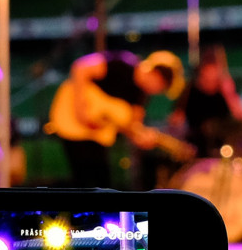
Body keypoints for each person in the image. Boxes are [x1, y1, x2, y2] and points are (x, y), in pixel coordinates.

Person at [45, 47, 188, 186]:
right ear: (157, 75)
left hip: (96, 135)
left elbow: (131, 127)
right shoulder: (123, 64)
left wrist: (142, 138)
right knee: (83, 177)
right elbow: (80, 67)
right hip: (74, 122)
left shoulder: (141, 97)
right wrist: (80, 109)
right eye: (161, 87)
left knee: (101, 181)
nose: (158, 92)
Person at [174, 44, 242, 156]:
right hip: (195, 147)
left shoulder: (224, 90)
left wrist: (229, 93)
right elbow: (176, 120)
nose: (212, 72)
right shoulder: (190, 90)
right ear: (202, 69)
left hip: (223, 147)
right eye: (210, 66)